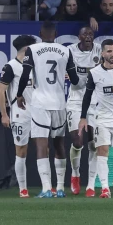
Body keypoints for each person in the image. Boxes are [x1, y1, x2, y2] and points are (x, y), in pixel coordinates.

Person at [16, 21, 82, 198]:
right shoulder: (66, 50)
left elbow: (24, 75)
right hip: (60, 101)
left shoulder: (33, 50)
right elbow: (75, 80)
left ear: (40, 33)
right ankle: (60, 188)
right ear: (56, 34)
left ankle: (46, 188)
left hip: (40, 103)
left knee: (41, 145)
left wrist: (20, 94)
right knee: (59, 143)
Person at [78, 39, 113, 198]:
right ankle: (105, 188)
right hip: (103, 118)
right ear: (102, 53)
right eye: (109, 51)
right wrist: (83, 117)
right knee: (102, 150)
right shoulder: (94, 73)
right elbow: (87, 96)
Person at [0, 35, 37, 198]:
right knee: (21, 149)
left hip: (39, 110)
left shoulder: (37, 64)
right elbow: (1, 91)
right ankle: (23, 188)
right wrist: (4, 115)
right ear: (27, 49)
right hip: (20, 112)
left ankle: (48, 187)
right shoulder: (11, 66)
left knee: (44, 147)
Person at [66, 26, 102, 197]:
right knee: (78, 141)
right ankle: (75, 174)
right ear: (78, 37)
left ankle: (90, 184)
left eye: (91, 34)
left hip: (95, 102)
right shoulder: (69, 52)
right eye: (85, 34)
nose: (88, 36)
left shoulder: (99, 50)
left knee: (94, 143)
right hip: (75, 100)